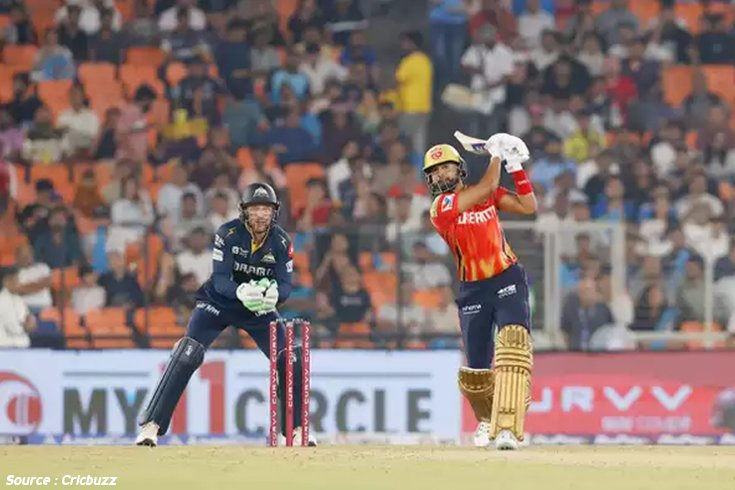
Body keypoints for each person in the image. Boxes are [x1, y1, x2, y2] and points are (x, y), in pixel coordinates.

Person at [136, 183, 314, 447]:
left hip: (258, 308)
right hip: (218, 303)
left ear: (274, 212)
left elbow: (286, 284)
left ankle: (297, 429)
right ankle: (151, 426)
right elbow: (220, 280)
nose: (261, 215)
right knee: (187, 353)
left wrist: (274, 295)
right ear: (244, 211)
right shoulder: (228, 233)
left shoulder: (281, 241)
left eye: (266, 209)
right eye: (255, 209)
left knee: (291, 357)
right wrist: (241, 291)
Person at [423, 133, 537, 450]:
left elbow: (528, 206)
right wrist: (496, 155)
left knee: (513, 345)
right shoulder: (440, 208)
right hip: (473, 289)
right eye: (434, 172)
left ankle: (508, 429)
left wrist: (515, 166)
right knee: (475, 373)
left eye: (445, 168)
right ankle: (487, 420)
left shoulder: (486, 194)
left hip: (506, 277)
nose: (440, 175)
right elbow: (487, 186)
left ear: (459, 168)